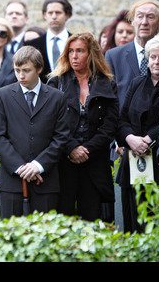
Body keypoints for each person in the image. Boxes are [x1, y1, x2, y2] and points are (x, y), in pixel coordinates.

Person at [0, 46, 69, 219]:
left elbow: (61, 137)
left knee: (44, 237)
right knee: (11, 238)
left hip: (46, 182)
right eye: (17, 70)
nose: (21, 76)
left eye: (26, 70)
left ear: (39, 69)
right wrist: (21, 168)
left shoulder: (57, 98)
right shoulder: (2, 95)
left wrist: (38, 166)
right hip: (12, 182)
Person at [47, 32, 119, 222]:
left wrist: (86, 150)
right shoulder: (56, 82)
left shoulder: (107, 84)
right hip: (63, 161)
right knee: (62, 220)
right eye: (70, 51)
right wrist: (71, 147)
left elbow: (110, 125)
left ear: (91, 54)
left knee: (92, 220)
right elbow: (51, 122)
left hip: (94, 161)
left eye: (80, 51)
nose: (74, 56)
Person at [116, 34, 159, 233]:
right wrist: (130, 139)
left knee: (155, 216)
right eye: (153, 57)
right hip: (134, 158)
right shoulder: (136, 83)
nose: (157, 62)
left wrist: (149, 139)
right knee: (133, 216)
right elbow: (121, 118)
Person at [105, 0, 159, 110]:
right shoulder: (113, 56)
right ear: (132, 21)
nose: (144, 22)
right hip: (122, 124)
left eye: (150, 17)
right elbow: (108, 99)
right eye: (140, 16)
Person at [25, 0, 73, 82]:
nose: (54, 16)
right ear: (44, 15)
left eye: (58, 12)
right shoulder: (32, 45)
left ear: (67, 15)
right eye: (50, 13)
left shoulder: (76, 42)